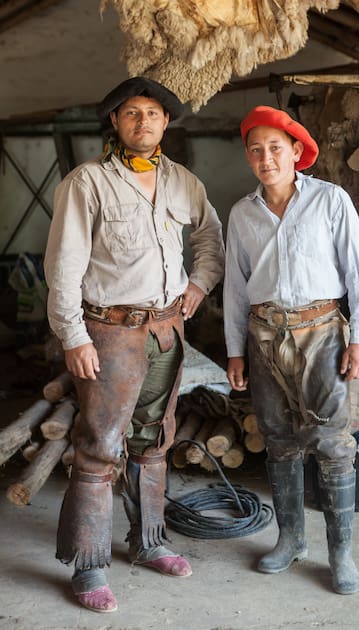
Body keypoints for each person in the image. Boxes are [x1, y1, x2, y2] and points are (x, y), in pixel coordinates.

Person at [44, 76, 225, 613]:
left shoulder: (183, 182)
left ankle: (148, 543)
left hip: (166, 329)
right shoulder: (87, 182)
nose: (143, 122)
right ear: (116, 123)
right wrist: (73, 335)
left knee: (154, 438)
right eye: (131, 113)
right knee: (100, 445)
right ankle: (89, 563)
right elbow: (64, 266)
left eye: (152, 113)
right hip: (110, 330)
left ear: (166, 122)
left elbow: (208, 237)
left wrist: (200, 284)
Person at [223, 106, 359, 595]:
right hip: (264, 336)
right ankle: (290, 540)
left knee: (332, 445)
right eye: (256, 150)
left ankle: (341, 554)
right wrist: (235, 351)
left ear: (295, 152)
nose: (266, 158)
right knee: (278, 440)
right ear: (249, 158)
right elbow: (235, 288)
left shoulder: (331, 200)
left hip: (322, 332)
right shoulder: (243, 213)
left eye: (275, 148)